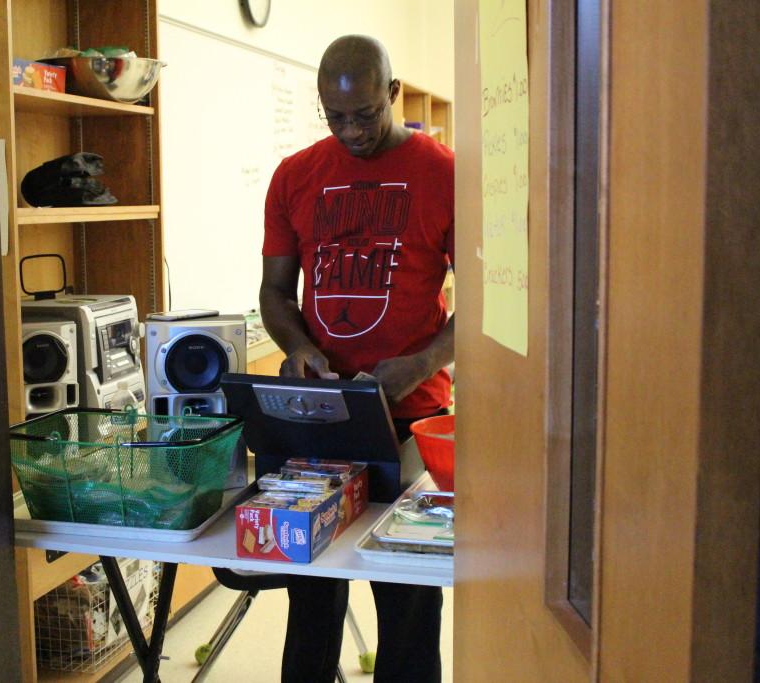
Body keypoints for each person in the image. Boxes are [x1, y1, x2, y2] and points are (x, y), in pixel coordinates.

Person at [259, 34, 454, 683]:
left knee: (406, 602)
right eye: (335, 116)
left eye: (365, 114)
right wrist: (300, 346)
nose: (351, 131)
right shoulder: (295, 175)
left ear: (394, 95)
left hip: (410, 420)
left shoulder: (445, 172)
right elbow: (275, 291)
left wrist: (421, 364)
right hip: (321, 417)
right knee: (311, 594)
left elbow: (488, 304)